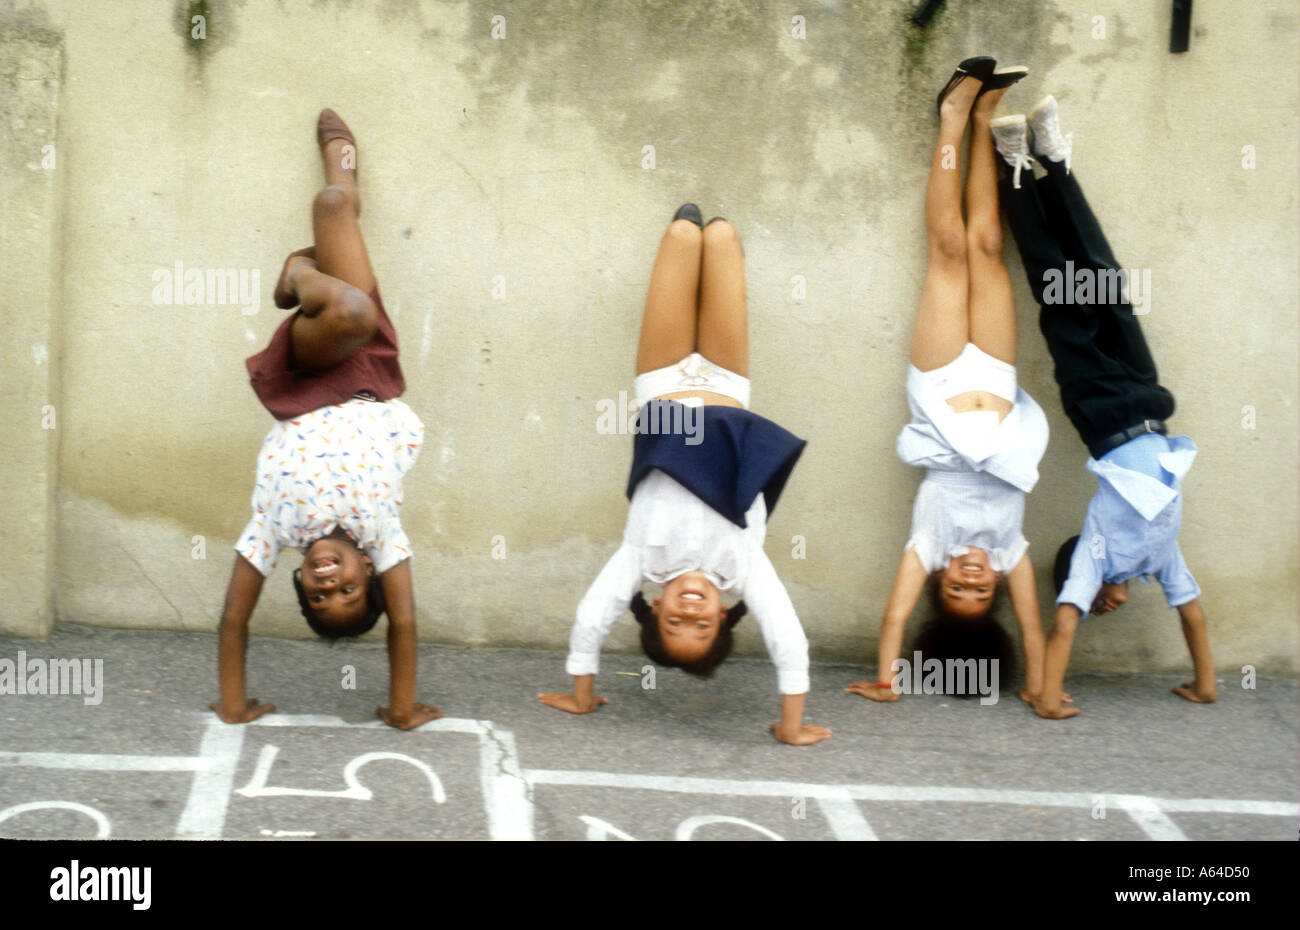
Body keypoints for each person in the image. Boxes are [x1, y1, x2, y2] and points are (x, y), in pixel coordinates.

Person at [538, 204, 831, 746]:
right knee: (721, 237)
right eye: (703, 626)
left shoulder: (640, 560)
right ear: (723, 615)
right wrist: (790, 726)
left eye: (675, 624)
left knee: (680, 232)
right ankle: (712, 241)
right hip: (726, 384)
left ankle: (686, 235)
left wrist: (582, 694)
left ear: (653, 609)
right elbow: (786, 637)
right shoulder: (745, 570)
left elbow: (593, 615)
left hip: (663, 385)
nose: (690, 614)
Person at [210, 109, 441, 730]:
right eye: (347, 590)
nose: (329, 581)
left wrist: (235, 706)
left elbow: (234, 619)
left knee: (350, 310)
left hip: (309, 375)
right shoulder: (382, 534)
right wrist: (400, 710)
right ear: (369, 571)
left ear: (299, 580)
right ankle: (330, 200)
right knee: (334, 204)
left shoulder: (272, 528)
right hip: (370, 369)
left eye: (317, 594)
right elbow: (408, 622)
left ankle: (300, 275)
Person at [992, 95, 1216, 718]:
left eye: (1094, 603)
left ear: (1080, 582)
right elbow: (1192, 613)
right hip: (1146, 393)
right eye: (1103, 606)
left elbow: (1063, 623)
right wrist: (1205, 684)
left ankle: (1015, 165)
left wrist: (1046, 696)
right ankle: (1055, 161)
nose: (1104, 610)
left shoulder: (1097, 553)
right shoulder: (1157, 559)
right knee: (1102, 278)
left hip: (1098, 410)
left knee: (1059, 289)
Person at [847, 58, 1050, 705]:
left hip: (938, 388)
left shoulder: (930, 547)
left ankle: (953, 114)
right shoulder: (1011, 550)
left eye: (957, 589)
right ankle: (986, 118)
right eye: (980, 591)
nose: (970, 577)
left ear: (938, 585)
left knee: (949, 249)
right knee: (987, 244)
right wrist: (1042, 689)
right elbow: (1036, 626)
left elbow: (893, 618)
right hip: (995, 377)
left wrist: (887, 679)